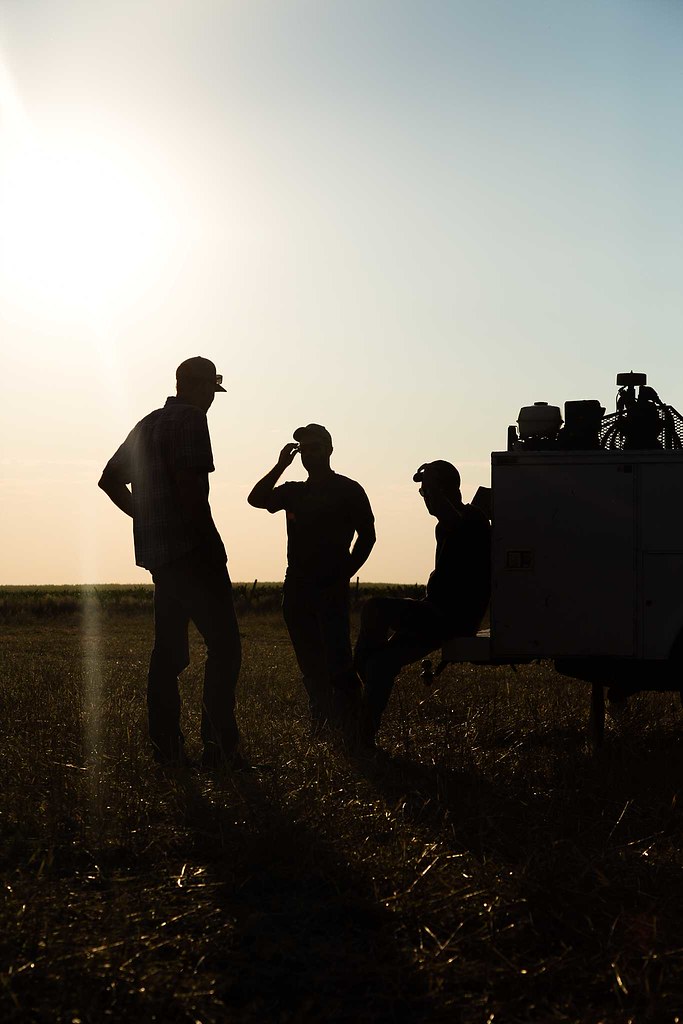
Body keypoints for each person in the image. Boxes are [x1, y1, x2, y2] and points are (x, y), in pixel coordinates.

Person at [98, 356, 242, 770]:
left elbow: (109, 479)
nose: (212, 401)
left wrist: (143, 516)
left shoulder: (147, 423)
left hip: (160, 557)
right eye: (211, 393)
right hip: (193, 553)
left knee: (169, 653)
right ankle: (219, 748)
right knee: (226, 647)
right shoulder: (192, 420)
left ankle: (166, 746)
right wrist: (211, 542)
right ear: (197, 388)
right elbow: (188, 486)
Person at [248, 424, 376, 733]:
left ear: (330, 449)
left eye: (315, 447)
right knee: (310, 662)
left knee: (338, 658)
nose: (309, 454)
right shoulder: (294, 492)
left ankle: (351, 726)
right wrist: (281, 464)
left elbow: (367, 536)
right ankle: (323, 721)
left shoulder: (348, 489)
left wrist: (344, 573)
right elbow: (256, 499)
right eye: (304, 448)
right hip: (297, 586)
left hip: (330, 585)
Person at [354, 460, 491, 747]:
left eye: (427, 490)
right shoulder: (450, 524)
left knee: (374, 609)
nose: (425, 498)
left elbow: (456, 525)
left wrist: (435, 489)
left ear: (443, 490)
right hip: (437, 613)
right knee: (381, 664)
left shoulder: (471, 519)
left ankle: (358, 675)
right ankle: (362, 737)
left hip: (448, 617)